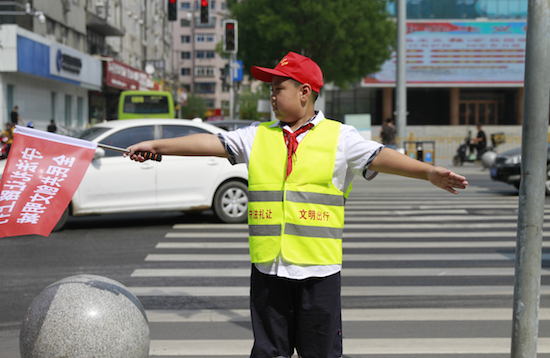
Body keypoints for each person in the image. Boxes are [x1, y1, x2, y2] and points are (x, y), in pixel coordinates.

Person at [125, 51, 468, 358]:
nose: (271, 96)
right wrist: (157, 146)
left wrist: (428, 173)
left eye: (278, 89)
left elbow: (381, 156)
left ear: (305, 92)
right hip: (268, 272)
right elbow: (211, 142)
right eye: (270, 90)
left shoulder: (340, 138)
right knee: (267, 353)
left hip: (318, 276)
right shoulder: (257, 136)